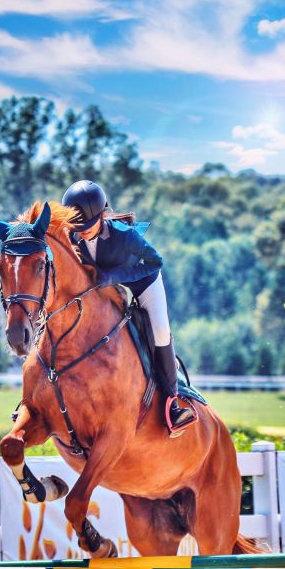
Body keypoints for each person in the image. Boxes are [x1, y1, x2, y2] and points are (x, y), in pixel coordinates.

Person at [62, 179, 195, 433]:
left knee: (160, 331)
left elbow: (155, 261)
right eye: (79, 227)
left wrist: (115, 277)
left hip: (144, 282)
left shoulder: (124, 235)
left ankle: (172, 403)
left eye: (89, 226)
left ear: (102, 214)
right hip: (107, 287)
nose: (84, 232)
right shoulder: (73, 235)